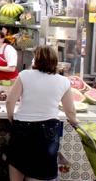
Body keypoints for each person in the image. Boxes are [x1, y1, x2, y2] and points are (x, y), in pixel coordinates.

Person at [5, 46, 79, 181]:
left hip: (22, 128)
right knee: (41, 173)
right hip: (47, 132)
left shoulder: (25, 75)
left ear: (36, 60)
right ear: (55, 61)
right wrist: (74, 122)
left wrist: (11, 117)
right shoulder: (63, 81)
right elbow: (70, 110)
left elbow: (10, 101)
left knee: (17, 165)